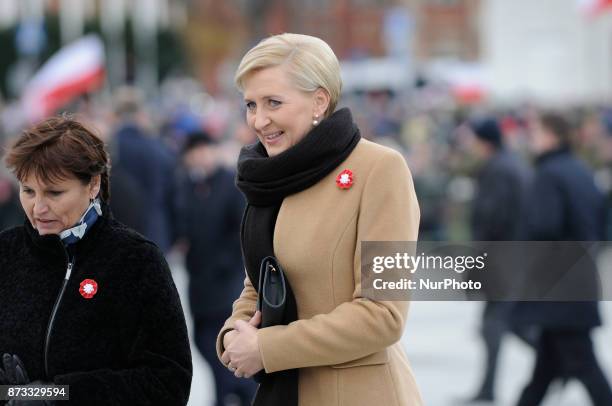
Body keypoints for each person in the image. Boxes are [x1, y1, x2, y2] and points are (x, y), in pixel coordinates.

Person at [216, 33, 422, 406]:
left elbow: (384, 314)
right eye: (250, 104)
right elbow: (260, 283)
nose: (259, 120)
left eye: (273, 102)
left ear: (319, 101)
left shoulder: (380, 169)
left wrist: (267, 347)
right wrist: (236, 330)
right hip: (284, 391)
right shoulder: (268, 176)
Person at [0, 117, 192, 405]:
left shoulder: (135, 260)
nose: (38, 208)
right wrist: (18, 394)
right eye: (28, 191)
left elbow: (168, 382)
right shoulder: (6, 252)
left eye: (54, 192)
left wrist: (59, 394)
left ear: (93, 185)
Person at [512, 111, 612, 406]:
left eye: (535, 133)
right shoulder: (581, 170)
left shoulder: (549, 174)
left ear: (551, 135)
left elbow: (544, 226)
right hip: (577, 278)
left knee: (583, 364)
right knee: (544, 372)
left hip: (559, 287)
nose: (531, 140)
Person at [175, 132, 255, 405]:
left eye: (203, 150)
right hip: (199, 280)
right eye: (193, 152)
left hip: (226, 280)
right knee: (202, 340)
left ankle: (233, 394)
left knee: (224, 338)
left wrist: (225, 262)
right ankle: (237, 391)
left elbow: (241, 230)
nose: (198, 157)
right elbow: (180, 222)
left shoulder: (230, 184)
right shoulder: (187, 186)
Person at [464, 117, 531, 403]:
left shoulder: (498, 170)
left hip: (500, 259)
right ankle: (487, 388)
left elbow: (492, 221)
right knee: (505, 321)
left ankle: (563, 360)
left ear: (484, 141)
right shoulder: (513, 165)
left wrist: (476, 261)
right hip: (515, 256)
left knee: (497, 323)